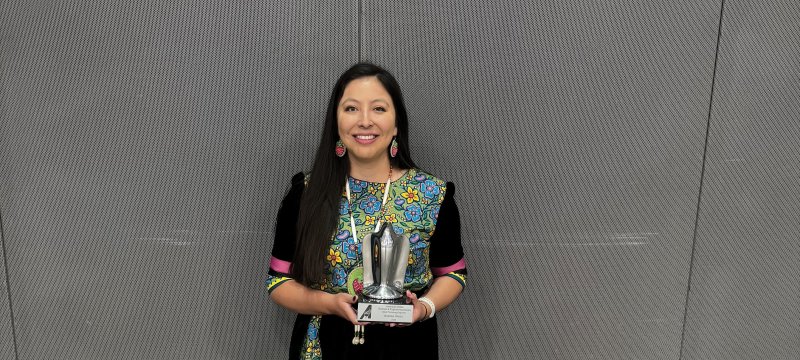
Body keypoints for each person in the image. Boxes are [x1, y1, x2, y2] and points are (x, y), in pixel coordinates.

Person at [265, 62, 467, 360]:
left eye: (378, 109)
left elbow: (454, 274)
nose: (364, 121)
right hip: (323, 346)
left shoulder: (432, 194)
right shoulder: (307, 193)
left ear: (397, 122)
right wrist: (329, 304)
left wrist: (424, 308)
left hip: (408, 346)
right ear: (335, 121)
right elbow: (278, 281)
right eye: (351, 109)